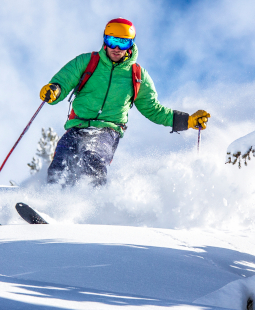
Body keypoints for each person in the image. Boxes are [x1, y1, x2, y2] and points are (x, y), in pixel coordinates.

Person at [39, 18, 210, 186]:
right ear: (105, 40)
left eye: (123, 43)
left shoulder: (137, 76)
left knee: (92, 158)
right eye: (112, 41)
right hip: (77, 126)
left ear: (131, 45)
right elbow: (64, 80)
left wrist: (187, 121)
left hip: (107, 130)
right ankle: (52, 201)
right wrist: (55, 90)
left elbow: (153, 109)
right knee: (60, 162)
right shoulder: (88, 62)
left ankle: (91, 202)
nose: (116, 48)